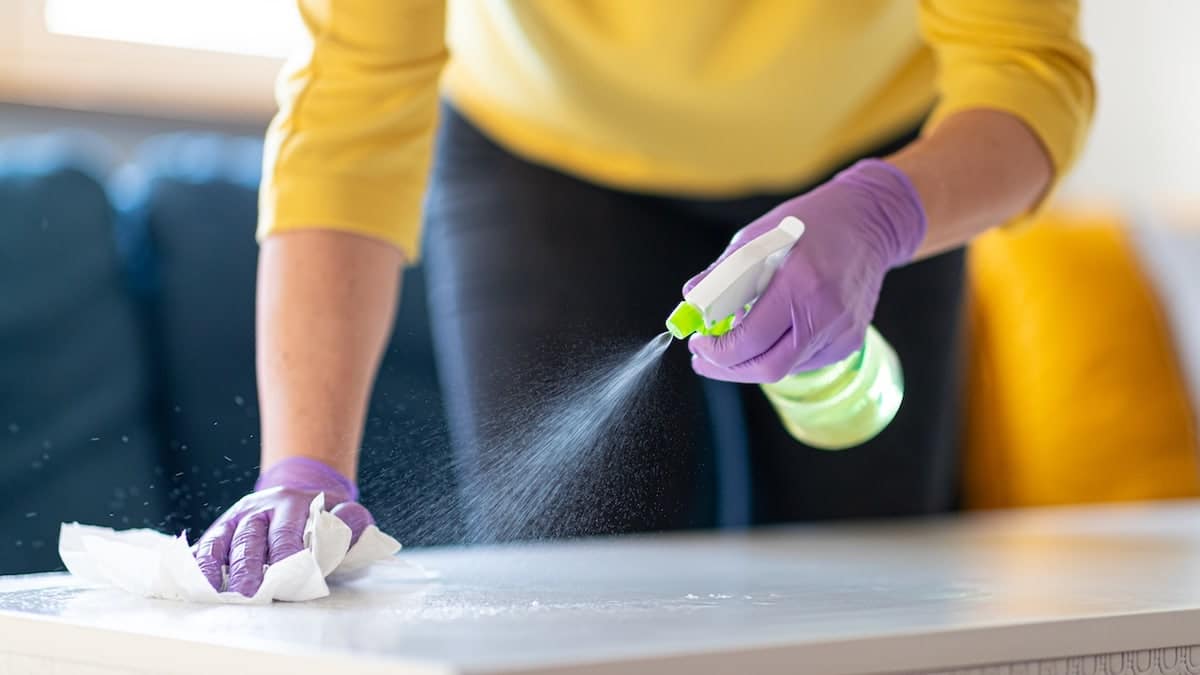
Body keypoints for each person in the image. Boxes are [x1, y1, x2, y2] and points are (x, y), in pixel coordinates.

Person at [195, 1, 1094, 596]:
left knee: (872, 580)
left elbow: (1026, 69)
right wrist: (302, 468)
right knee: (569, 595)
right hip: (541, 151)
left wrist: (888, 213)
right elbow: (347, 117)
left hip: (878, 151)